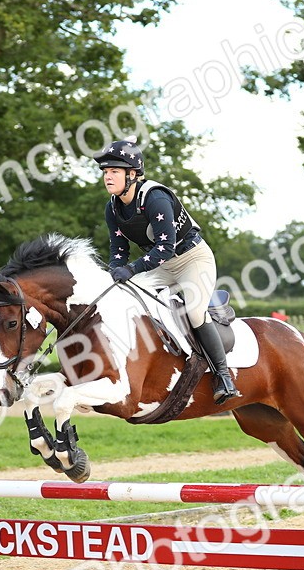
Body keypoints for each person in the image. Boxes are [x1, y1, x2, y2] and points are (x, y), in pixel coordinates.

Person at [94, 138, 241, 404]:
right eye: (105, 172)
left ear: (133, 174)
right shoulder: (112, 207)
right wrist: (115, 271)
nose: (108, 177)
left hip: (191, 259)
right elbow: (118, 248)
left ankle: (223, 376)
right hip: (159, 265)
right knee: (124, 297)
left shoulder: (155, 198)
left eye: (114, 171)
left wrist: (132, 269)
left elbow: (164, 247)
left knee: (195, 311)